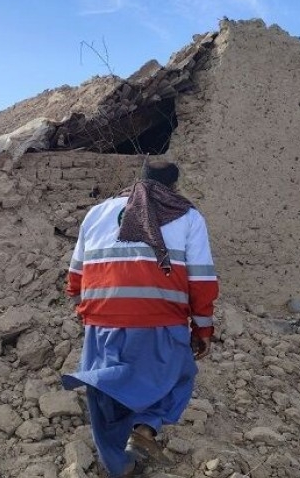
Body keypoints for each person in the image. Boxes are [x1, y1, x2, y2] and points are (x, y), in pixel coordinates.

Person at [61, 160, 219, 477]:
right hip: (160, 320)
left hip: (102, 321)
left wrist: (89, 315)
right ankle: (145, 429)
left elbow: (75, 278)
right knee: (177, 374)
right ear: (173, 187)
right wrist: (202, 328)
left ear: (138, 179)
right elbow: (201, 280)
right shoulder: (188, 217)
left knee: (106, 393)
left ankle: (119, 467)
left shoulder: (97, 213)